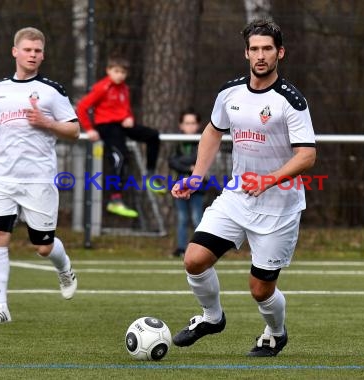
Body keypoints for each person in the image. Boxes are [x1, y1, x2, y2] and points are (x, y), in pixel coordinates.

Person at [170, 18, 316, 357]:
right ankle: (211, 317)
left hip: (279, 205)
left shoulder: (290, 101)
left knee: (260, 290)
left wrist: (268, 179)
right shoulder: (229, 92)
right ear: (246, 53)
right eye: (254, 49)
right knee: (194, 260)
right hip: (237, 197)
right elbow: (212, 131)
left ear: (280, 52)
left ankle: (276, 333)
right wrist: (196, 176)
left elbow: (307, 156)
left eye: (267, 48)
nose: (261, 55)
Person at [0, 27, 79, 323]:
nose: (33, 55)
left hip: (38, 178)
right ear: (15, 51)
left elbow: (75, 130)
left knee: (43, 246)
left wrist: (47, 123)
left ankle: (64, 268)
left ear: (43, 55)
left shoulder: (52, 91)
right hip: (1, 178)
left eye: (38, 51)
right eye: (27, 50)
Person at [76, 56, 165, 219]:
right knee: (120, 157)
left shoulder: (124, 88)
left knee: (153, 136)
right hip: (107, 127)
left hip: (122, 125)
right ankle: (115, 200)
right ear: (108, 71)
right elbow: (82, 107)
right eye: (116, 71)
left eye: (123, 72)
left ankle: (150, 176)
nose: (120, 75)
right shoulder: (102, 87)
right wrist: (89, 129)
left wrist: (129, 117)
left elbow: (125, 108)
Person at [168, 108, 204, 257]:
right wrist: (188, 166)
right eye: (186, 123)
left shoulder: (202, 141)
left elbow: (200, 159)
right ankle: (181, 248)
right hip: (179, 185)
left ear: (198, 125)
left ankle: (201, 249)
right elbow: (172, 161)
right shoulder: (177, 142)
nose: (190, 126)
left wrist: (188, 163)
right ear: (181, 125)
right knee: (182, 218)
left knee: (197, 218)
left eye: (193, 123)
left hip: (198, 187)